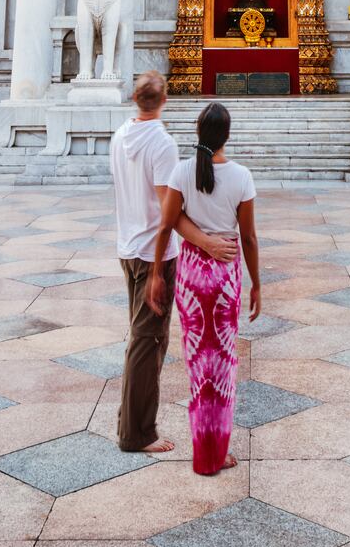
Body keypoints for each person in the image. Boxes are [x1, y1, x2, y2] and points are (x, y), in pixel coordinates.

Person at [110, 71, 237, 455]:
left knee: (141, 338)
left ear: (134, 98)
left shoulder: (121, 135)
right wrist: (206, 243)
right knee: (148, 341)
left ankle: (129, 421)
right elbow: (169, 209)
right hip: (153, 254)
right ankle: (137, 433)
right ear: (164, 100)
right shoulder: (161, 143)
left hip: (128, 246)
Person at [148, 100, 261, 476]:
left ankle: (203, 451)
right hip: (226, 277)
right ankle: (218, 451)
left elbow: (166, 226)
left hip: (192, 277)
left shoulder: (182, 172)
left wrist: (156, 274)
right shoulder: (241, 176)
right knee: (223, 366)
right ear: (227, 136)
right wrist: (256, 284)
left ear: (198, 133)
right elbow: (249, 237)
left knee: (198, 365)